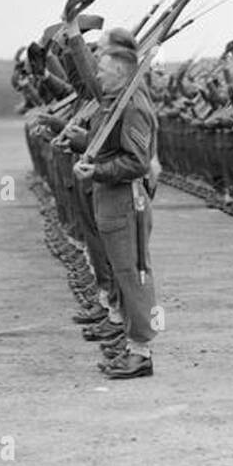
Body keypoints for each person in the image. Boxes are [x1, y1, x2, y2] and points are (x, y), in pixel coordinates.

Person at [75, 28, 160, 380]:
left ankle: (141, 352)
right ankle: (130, 342)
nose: (97, 75)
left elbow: (137, 162)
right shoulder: (115, 104)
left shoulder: (134, 107)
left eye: (103, 70)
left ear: (122, 74)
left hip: (126, 200)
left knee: (132, 274)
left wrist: (97, 170)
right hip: (110, 198)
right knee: (120, 273)